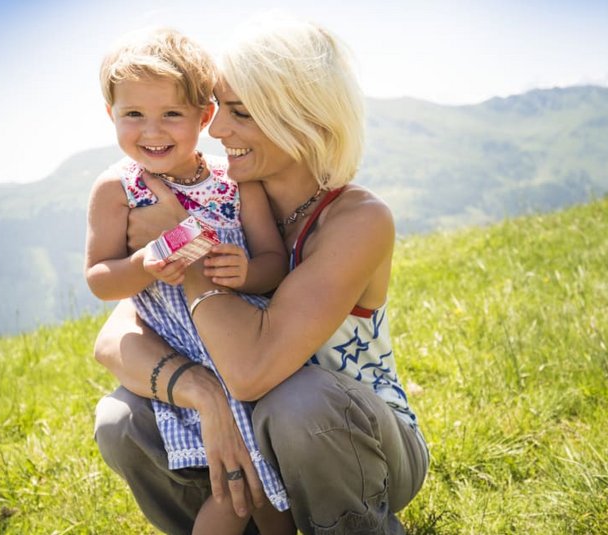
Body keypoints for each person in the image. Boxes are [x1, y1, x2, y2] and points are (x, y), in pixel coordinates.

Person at [93, 16, 429, 535]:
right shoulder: (217, 198)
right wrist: (204, 397)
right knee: (121, 420)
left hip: (362, 443)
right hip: (248, 421)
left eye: (240, 113)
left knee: (296, 402)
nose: (218, 129)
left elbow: (253, 372)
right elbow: (115, 336)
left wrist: (185, 242)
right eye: (219, 108)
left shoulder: (357, 220)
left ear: (300, 119)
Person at [84, 27, 294, 535]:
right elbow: (99, 278)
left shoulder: (235, 183)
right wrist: (142, 266)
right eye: (133, 114)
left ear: (204, 117)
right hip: (175, 354)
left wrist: (247, 271)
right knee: (233, 487)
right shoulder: (117, 190)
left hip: (240, 348)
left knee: (263, 493)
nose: (151, 131)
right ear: (110, 113)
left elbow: (275, 261)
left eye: (171, 114)